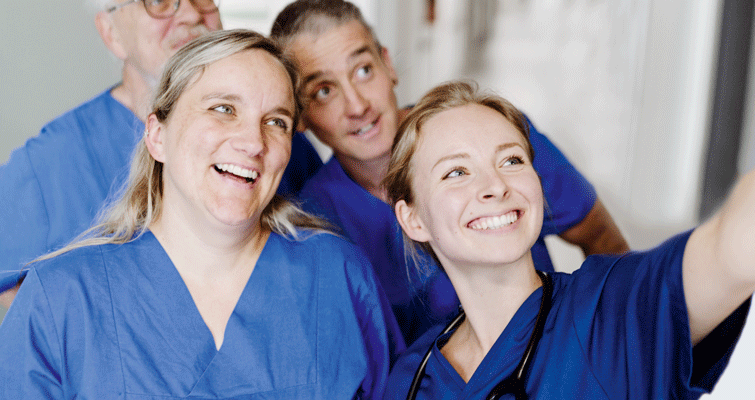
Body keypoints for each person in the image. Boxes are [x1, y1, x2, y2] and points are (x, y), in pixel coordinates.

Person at [0, 30, 399, 399]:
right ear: (157, 136)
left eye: (276, 122)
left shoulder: (339, 278)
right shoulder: (61, 300)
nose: (252, 142)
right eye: (224, 109)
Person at [381, 81, 755, 399]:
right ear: (413, 218)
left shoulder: (614, 309)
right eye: (456, 172)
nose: (495, 185)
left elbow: (738, 245)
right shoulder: (410, 380)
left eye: (511, 160)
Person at [270, 0, 629, 344]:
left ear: (388, 65)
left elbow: (601, 239)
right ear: (299, 115)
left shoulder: (496, 137)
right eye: (323, 91)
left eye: (363, 71)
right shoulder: (316, 221)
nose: (358, 105)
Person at [0, 0, 322, 307]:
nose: (192, 15)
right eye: (158, 1)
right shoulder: (50, 161)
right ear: (112, 33)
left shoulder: (276, 149)